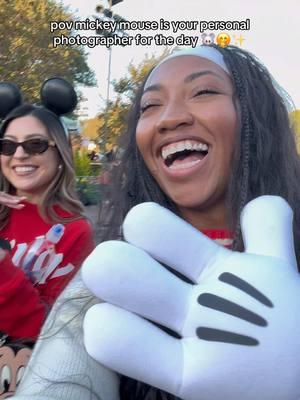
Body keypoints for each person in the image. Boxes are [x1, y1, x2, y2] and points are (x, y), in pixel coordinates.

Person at [13, 45, 300, 400]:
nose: (169, 118)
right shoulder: (112, 273)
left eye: (203, 92)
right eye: (150, 106)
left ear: (256, 117)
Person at [0, 79, 94, 398]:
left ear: (60, 152)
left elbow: (53, 329)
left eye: (36, 144)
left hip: (21, 374)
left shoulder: (74, 229)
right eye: (8, 145)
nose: (20, 154)